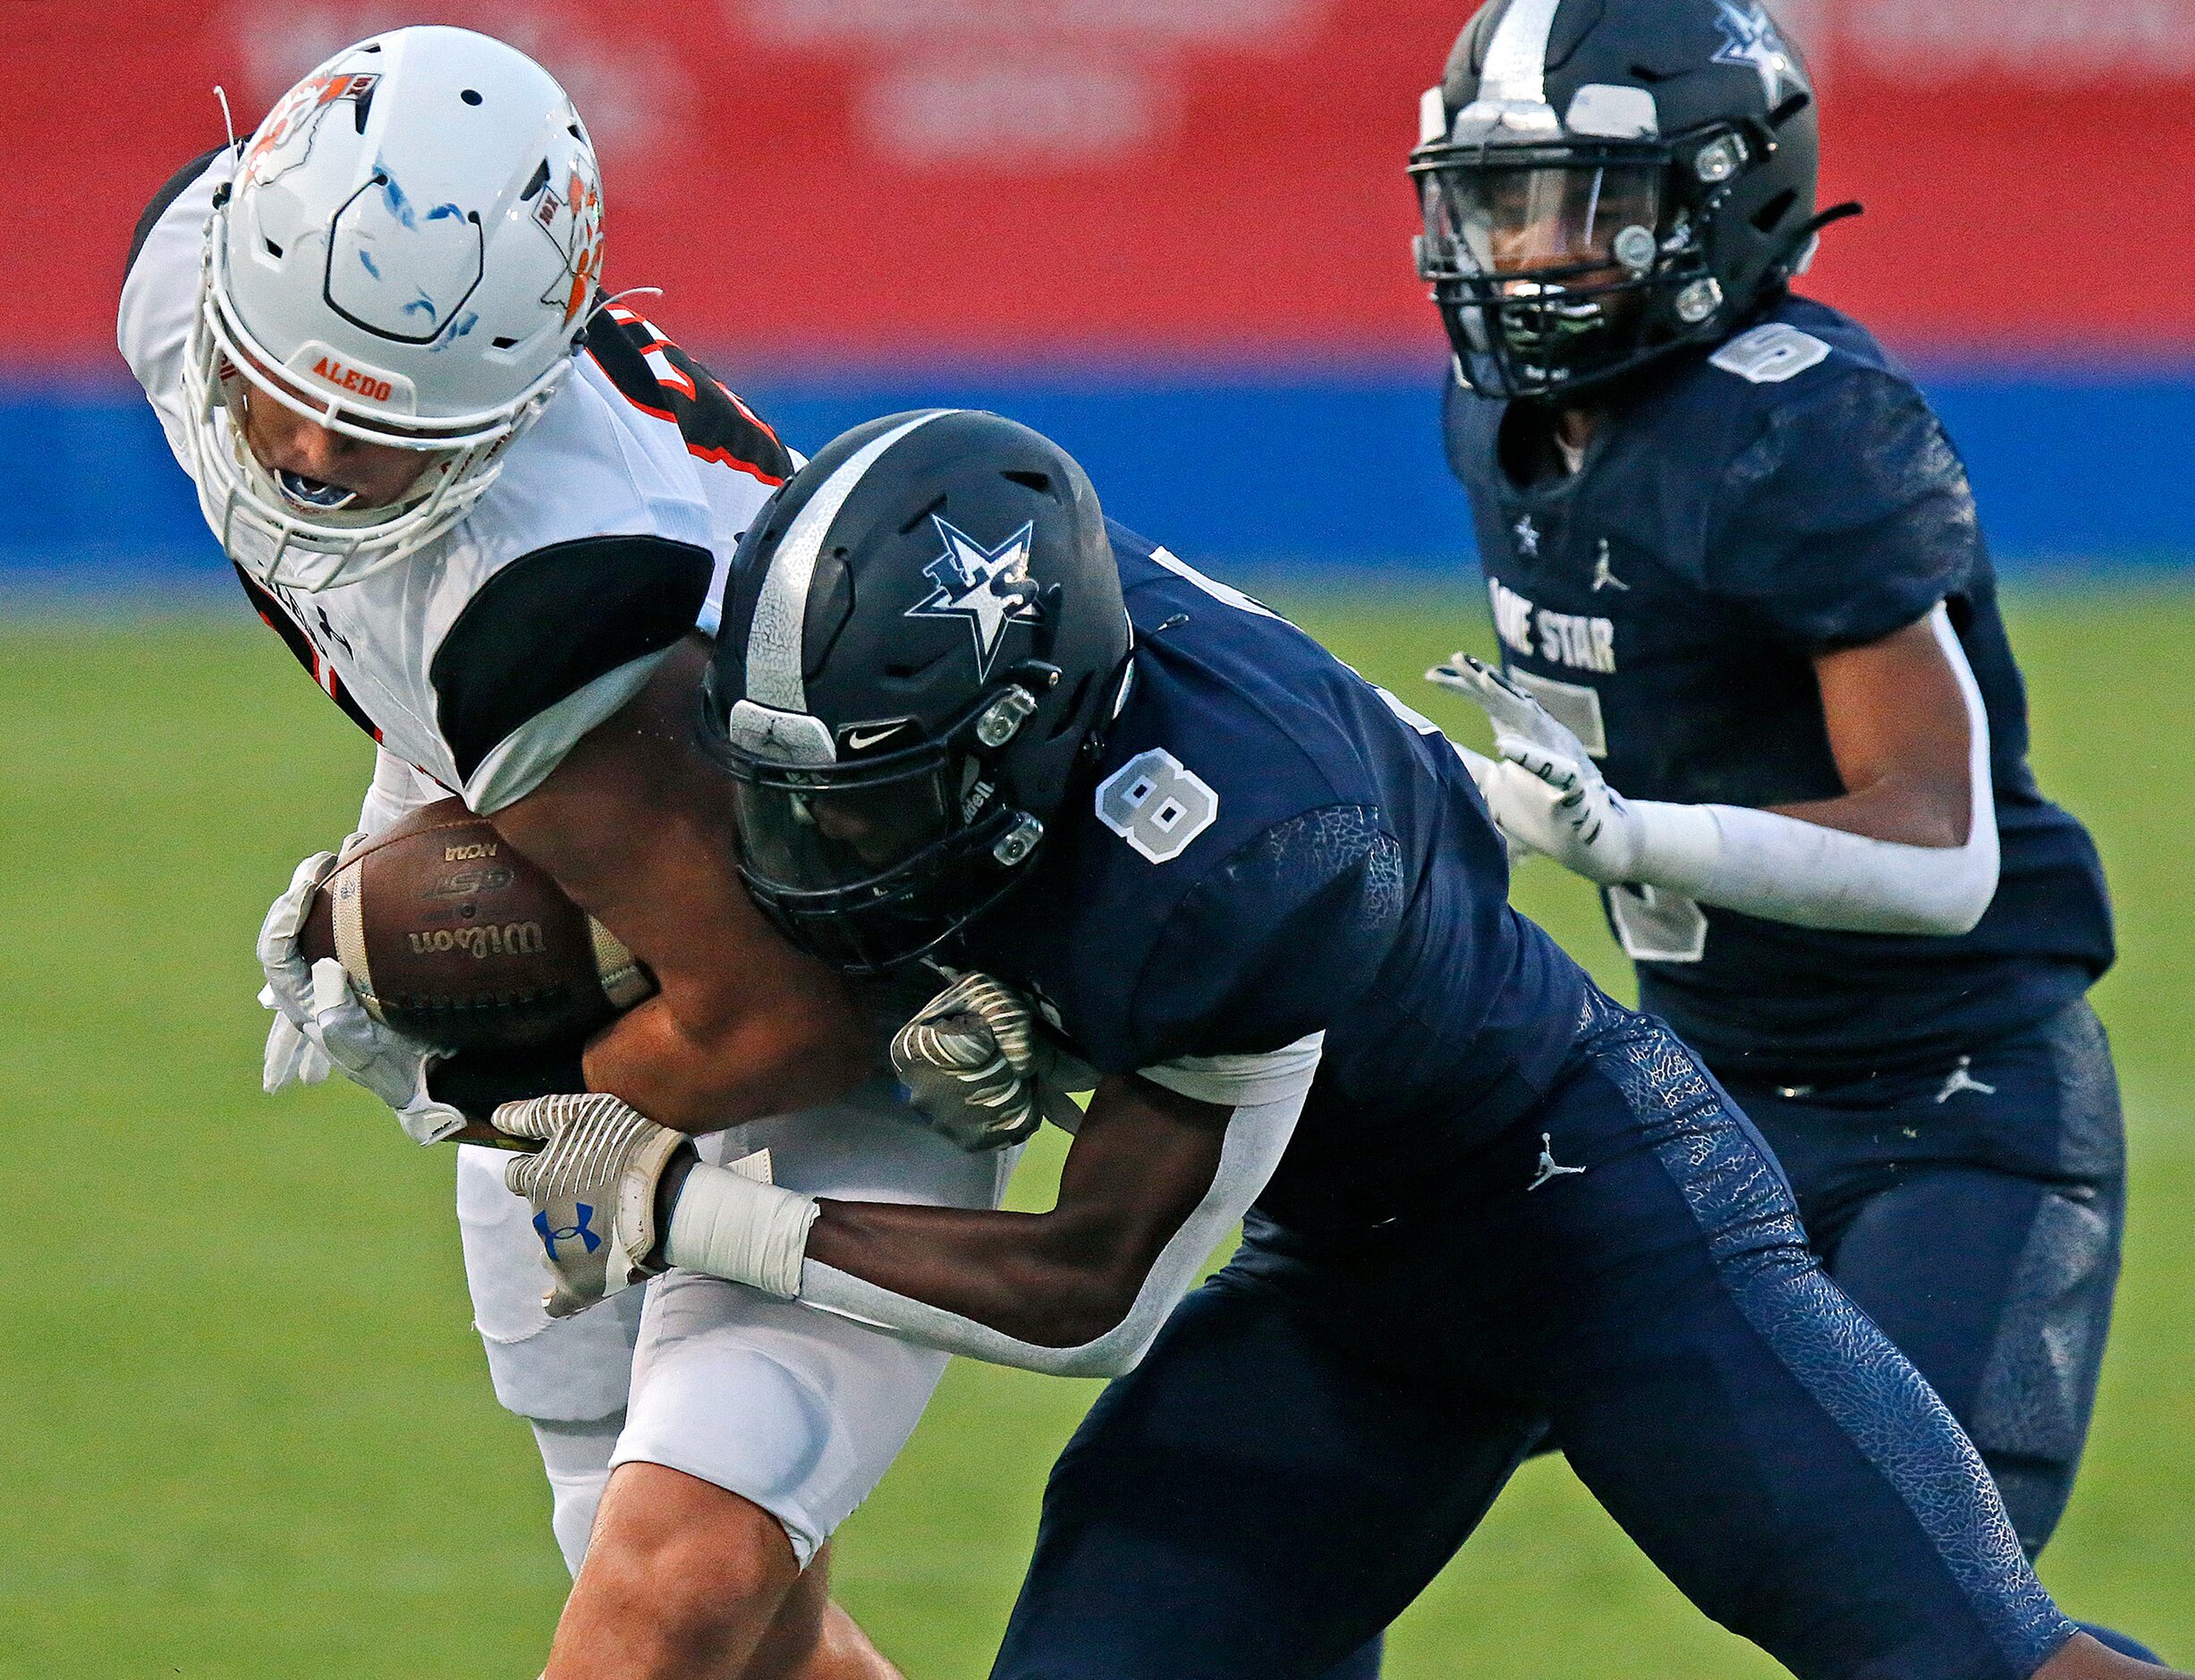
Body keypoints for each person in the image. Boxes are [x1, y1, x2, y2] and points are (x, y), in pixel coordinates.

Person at [497, 405, 2186, 1680]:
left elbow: (1092, 1285)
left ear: (1028, 737)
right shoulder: (973, 677)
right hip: (1344, 1276)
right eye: (788, 790)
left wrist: (691, 1215)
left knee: (1970, 1662)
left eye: (868, 805)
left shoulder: (1241, 855)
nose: (808, 851)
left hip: (1596, 1220)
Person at [116, 28, 1006, 1679]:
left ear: (518, 402)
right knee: (666, 1574)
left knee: (665, 1593)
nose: (305, 457)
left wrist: (491, 1080)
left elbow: (779, 1012)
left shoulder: (563, 597)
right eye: (284, 387)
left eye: (375, 433)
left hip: (881, 958)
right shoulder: (183, 282)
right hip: (581, 812)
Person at [1408, 0, 2145, 1657]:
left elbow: (1936, 850)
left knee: (1923, 1627)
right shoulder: (1501, 411)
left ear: (1717, 200)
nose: (1529, 251)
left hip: (1940, 1106)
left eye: (1587, 203)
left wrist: (1634, 836)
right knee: (1334, 1399)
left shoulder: (1798, 428)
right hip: (1692, 1084)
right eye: (1501, 198)